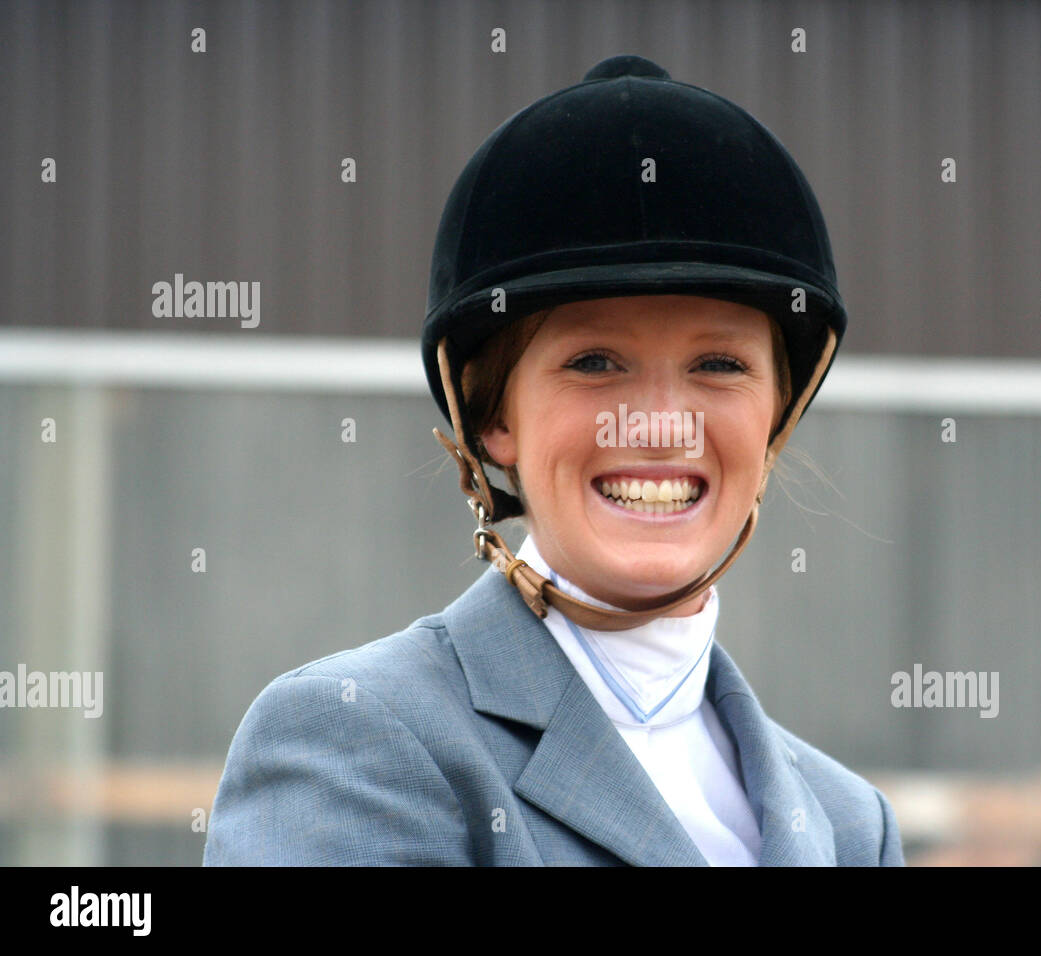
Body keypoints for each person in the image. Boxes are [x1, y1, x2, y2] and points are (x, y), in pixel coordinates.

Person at [203, 54, 903, 866]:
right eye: (596, 363)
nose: (661, 426)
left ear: (775, 415)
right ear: (494, 417)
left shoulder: (852, 827)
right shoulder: (355, 742)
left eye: (719, 365)